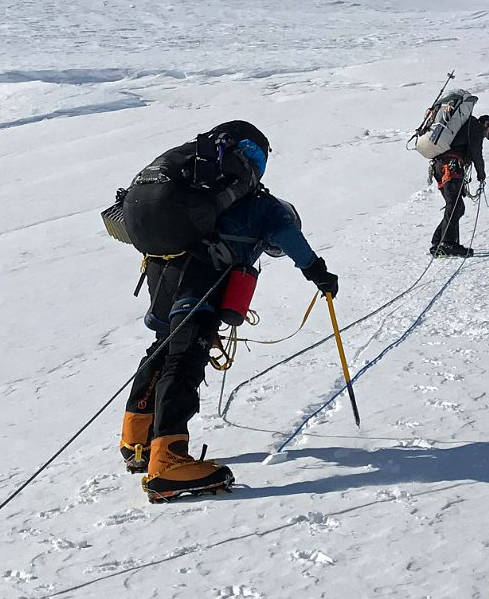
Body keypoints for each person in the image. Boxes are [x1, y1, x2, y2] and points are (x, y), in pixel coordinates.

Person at [117, 120, 338, 501]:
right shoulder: (265, 208)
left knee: (163, 348)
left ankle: (137, 438)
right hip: (201, 274)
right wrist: (319, 274)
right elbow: (290, 237)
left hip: (165, 266)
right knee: (185, 355)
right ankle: (168, 459)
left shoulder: (208, 193)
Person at [429, 114, 489, 257]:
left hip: (440, 167)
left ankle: (439, 241)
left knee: (456, 206)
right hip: (451, 167)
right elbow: (476, 151)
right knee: (454, 205)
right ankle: (447, 243)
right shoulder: (477, 127)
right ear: (487, 125)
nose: (486, 135)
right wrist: (481, 174)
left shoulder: (463, 127)